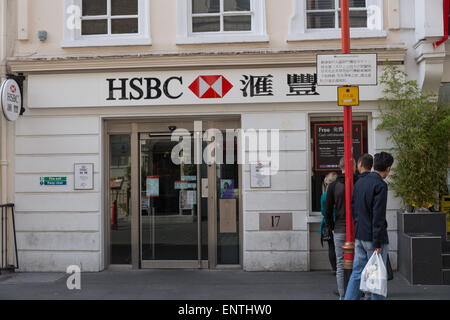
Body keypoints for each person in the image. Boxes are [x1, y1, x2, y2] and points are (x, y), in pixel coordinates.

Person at [344, 152, 394, 300]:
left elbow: (354, 209)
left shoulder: (360, 182)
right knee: (376, 277)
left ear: (373, 165)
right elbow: (378, 216)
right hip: (374, 238)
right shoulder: (381, 185)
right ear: (388, 168)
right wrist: (377, 242)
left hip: (360, 235)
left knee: (357, 273)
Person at [324, 157, 355, 299]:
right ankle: (358, 292)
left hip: (340, 228)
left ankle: (343, 295)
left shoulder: (333, 186)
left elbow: (327, 210)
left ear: (339, 166)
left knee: (340, 264)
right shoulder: (358, 182)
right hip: (357, 228)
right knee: (359, 262)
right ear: (353, 165)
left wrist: (332, 226)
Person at [319, 172, 338, 274]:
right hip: (340, 222)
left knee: (331, 247)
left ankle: (334, 268)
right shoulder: (340, 192)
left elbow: (323, 211)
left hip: (328, 223)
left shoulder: (324, 196)